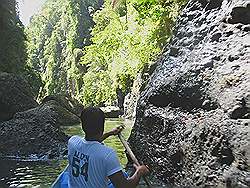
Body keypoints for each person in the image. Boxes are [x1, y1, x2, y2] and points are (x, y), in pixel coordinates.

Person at [67, 107, 149, 188]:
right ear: (102, 126)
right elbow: (124, 186)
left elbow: (91, 142)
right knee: (123, 175)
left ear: (82, 126)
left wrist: (110, 133)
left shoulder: (72, 142)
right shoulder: (108, 155)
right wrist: (140, 171)